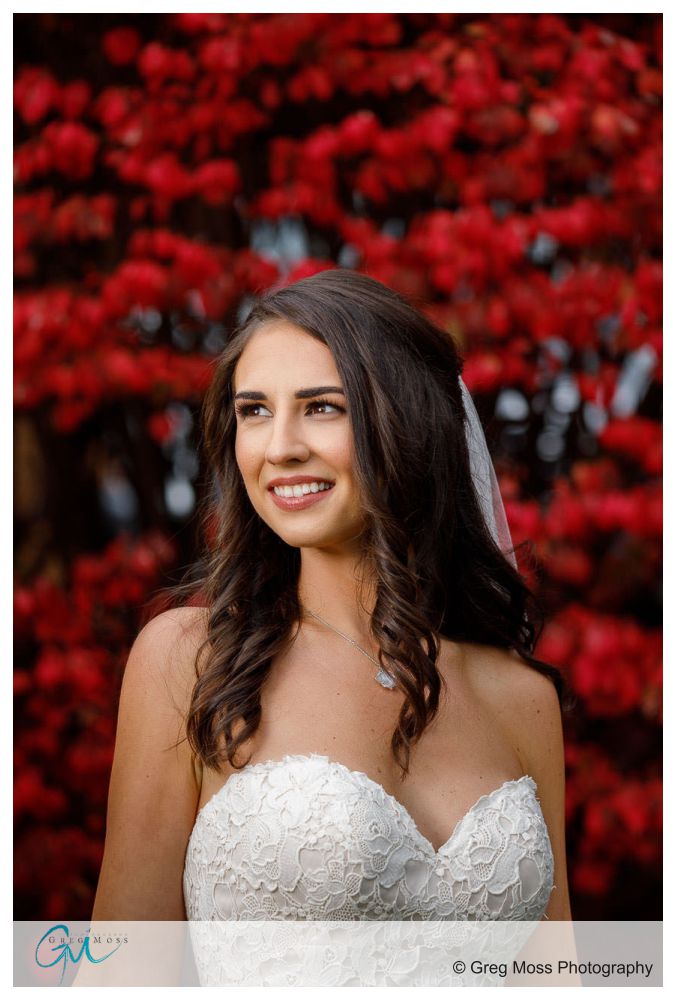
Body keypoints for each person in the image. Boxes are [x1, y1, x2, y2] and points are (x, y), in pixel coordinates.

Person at [89, 269, 573, 949]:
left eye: (321, 406)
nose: (280, 445)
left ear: (405, 425)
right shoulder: (193, 662)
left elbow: (562, 975)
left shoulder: (521, 698)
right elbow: (120, 971)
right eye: (253, 410)